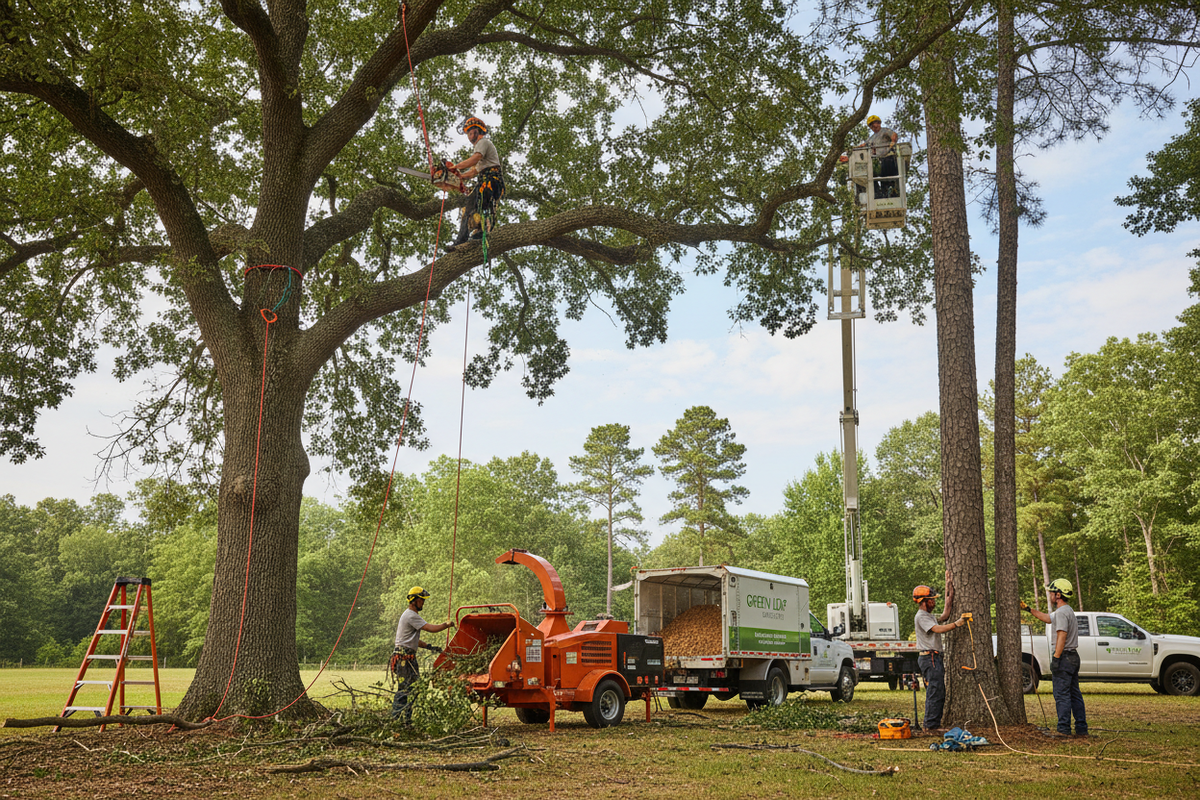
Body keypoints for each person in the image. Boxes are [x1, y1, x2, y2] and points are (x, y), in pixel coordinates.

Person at [1023, 579, 1087, 736]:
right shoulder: (1067, 611)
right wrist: (1029, 609)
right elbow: (1047, 618)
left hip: (1064, 657)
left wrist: (1056, 658)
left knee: (1061, 694)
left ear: (1058, 595)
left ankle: (1064, 729)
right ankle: (1081, 728)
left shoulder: (1062, 614)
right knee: (1074, 694)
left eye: (1052, 592)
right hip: (1073, 657)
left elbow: (1061, 636)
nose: (1050, 594)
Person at [913, 572, 968, 732]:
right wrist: (957, 624)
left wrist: (948, 591)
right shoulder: (922, 617)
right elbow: (937, 629)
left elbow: (944, 615)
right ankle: (930, 726)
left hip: (933, 658)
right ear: (923, 602)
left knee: (938, 690)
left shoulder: (928, 615)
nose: (933, 603)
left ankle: (932, 724)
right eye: (931, 600)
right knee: (935, 691)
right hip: (929, 657)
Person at [391, 586, 455, 721]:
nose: (423, 603)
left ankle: (405, 719)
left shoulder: (410, 616)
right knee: (405, 689)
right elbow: (430, 628)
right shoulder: (411, 615)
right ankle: (397, 719)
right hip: (404, 658)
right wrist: (446, 625)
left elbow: (413, 640)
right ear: (414, 600)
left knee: (412, 688)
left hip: (407, 657)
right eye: (421, 600)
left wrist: (429, 647)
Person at [445, 116, 505, 252]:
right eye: (468, 133)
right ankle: (479, 231)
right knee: (473, 207)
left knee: (474, 204)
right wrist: (458, 177)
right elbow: (472, 172)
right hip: (487, 182)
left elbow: (474, 159)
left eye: (472, 132)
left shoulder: (483, 143)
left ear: (479, 131)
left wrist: (456, 167)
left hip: (491, 181)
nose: (470, 135)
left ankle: (463, 239)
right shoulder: (480, 150)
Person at [853, 114, 899, 198]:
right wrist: (855, 148)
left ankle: (891, 190)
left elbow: (894, 135)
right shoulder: (872, 138)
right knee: (872, 173)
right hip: (879, 160)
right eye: (872, 125)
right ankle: (879, 193)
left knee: (887, 175)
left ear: (879, 123)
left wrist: (892, 142)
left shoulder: (885, 131)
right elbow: (865, 144)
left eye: (876, 123)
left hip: (888, 157)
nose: (875, 126)